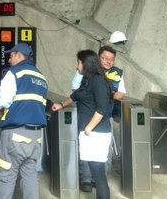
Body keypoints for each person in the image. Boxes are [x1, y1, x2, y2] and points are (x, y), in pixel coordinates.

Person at [53, 49, 112, 199]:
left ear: (85, 63)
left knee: (98, 174)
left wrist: (89, 128)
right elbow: (76, 95)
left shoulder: (98, 80)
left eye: (78, 62)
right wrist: (61, 104)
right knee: (95, 171)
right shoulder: (88, 79)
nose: (77, 66)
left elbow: (102, 108)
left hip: (96, 133)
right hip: (90, 133)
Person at [0, 43, 48, 199]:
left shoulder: (14, 73)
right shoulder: (41, 77)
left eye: (11, 56)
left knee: (6, 176)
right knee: (30, 175)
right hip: (36, 136)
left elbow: (4, 101)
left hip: (15, 135)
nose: (9, 60)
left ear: (19, 55)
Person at [71, 45, 125, 192]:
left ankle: (97, 181)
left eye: (111, 59)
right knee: (89, 157)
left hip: (101, 122)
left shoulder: (113, 74)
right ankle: (87, 179)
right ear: (98, 58)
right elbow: (76, 91)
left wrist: (106, 94)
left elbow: (121, 94)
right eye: (105, 58)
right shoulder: (86, 74)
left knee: (100, 161)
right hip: (88, 120)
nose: (108, 61)